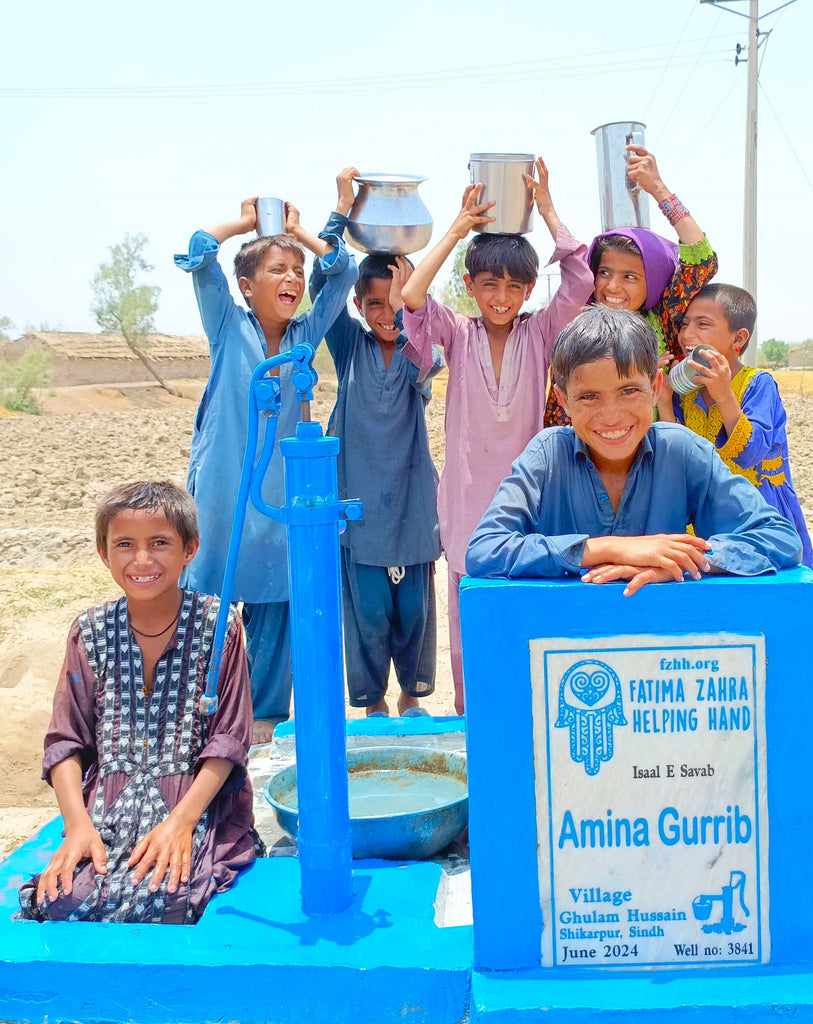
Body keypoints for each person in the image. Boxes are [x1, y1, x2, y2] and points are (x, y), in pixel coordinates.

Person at [18, 481, 261, 925]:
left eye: (160, 543)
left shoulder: (218, 626)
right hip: (107, 811)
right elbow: (66, 743)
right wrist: (77, 827)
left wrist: (181, 823)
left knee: (172, 899)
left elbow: (228, 742)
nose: (142, 560)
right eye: (125, 544)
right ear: (103, 552)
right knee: (62, 901)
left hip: (194, 802)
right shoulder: (89, 631)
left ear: (190, 549)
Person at [401, 159, 594, 712]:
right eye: (490, 286)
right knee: (467, 632)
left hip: (528, 504)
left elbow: (579, 277)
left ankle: (524, 721)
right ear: (471, 286)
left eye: (515, 286)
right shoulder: (457, 335)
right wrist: (460, 228)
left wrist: (548, 208)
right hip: (465, 505)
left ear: (531, 288)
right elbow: (412, 296)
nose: (503, 298)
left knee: (522, 619)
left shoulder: (540, 334)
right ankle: (471, 723)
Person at [175, 194, 358, 744]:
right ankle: (202, 713)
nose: (293, 277)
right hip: (222, 491)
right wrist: (249, 224)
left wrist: (299, 234)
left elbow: (342, 269)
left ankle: (264, 722)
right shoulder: (228, 325)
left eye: (297, 272)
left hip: (278, 497)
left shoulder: (306, 335)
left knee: (279, 602)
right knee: (210, 599)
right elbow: (199, 251)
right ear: (247, 286)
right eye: (276, 269)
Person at [467, 307, 803, 591]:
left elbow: (779, 538)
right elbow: (485, 550)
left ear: (656, 387)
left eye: (629, 391)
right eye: (589, 397)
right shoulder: (547, 454)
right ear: (562, 400)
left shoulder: (680, 450)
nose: (611, 416)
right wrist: (610, 549)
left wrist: (679, 561)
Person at [310, 168, 443, 717]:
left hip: (412, 509)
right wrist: (341, 212)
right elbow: (323, 287)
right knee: (364, 609)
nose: (389, 317)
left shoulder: (422, 353)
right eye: (377, 306)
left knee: (414, 609)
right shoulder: (349, 348)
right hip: (358, 508)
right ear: (361, 308)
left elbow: (423, 338)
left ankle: (412, 697)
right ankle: (372, 703)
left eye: (398, 305)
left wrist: (415, 300)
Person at [544, 145, 718, 426]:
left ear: (652, 283)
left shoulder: (663, 320)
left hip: (654, 460)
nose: (612, 287)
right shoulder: (577, 330)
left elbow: (701, 261)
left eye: (629, 277)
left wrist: (659, 189)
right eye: (604, 272)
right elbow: (559, 419)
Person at [657, 283, 813, 567]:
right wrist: (664, 402)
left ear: (738, 338)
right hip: (707, 511)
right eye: (684, 324)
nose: (686, 334)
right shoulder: (687, 392)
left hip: (758, 510)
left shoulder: (758, 384)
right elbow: (679, 455)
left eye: (703, 324)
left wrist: (724, 394)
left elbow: (751, 453)